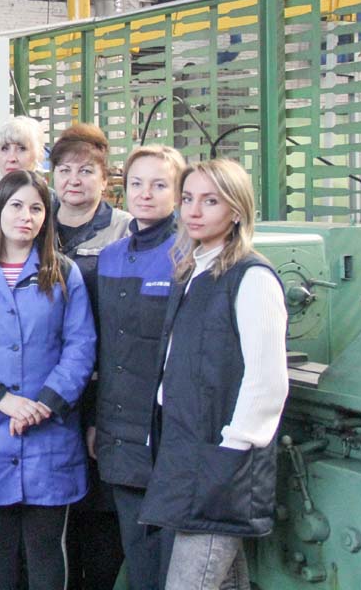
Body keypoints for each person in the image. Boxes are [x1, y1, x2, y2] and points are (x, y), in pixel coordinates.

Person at [0, 169, 96, 590]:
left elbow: (80, 345)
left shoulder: (64, 273)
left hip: (49, 433)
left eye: (36, 208)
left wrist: (44, 403)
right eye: (17, 206)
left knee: (47, 551)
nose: (26, 216)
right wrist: (2, 400)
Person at [140, 159, 288, 590]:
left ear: (237, 210)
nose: (193, 210)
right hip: (188, 453)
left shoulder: (252, 277)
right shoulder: (193, 271)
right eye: (188, 198)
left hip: (218, 463)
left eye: (210, 201)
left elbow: (267, 380)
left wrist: (232, 449)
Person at [92, 146, 185, 590]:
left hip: (171, 433)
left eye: (159, 184)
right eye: (136, 183)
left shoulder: (188, 257)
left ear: (179, 192)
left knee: (177, 559)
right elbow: (104, 349)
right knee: (139, 550)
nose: (145, 193)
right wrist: (95, 422)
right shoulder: (110, 257)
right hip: (120, 432)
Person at [51, 123, 131, 590]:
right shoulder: (36, 221)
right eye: (64, 170)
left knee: (100, 502)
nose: (74, 180)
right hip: (47, 387)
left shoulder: (123, 230)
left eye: (86, 171)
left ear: (105, 178)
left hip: (104, 386)